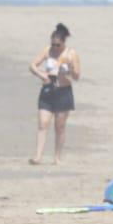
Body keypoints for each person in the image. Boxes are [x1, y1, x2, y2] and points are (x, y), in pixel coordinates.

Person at [29, 23, 79, 165]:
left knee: (59, 126)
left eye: (58, 45)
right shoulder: (47, 50)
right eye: (53, 44)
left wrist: (69, 70)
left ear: (64, 43)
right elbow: (32, 65)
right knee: (43, 124)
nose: (55, 47)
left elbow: (77, 76)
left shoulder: (71, 54)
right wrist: (40, 74)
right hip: (47, 90)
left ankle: (57, 157)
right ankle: (37, 156)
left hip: (63, 91)